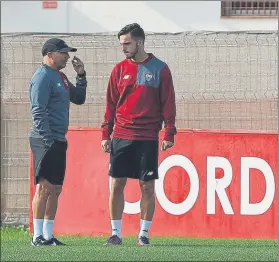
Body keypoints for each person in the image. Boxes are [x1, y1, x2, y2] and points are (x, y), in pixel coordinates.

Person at [101, 23, 177, 246]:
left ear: (140, 42)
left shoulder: (160, 69)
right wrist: (106, 133)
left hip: (148, 137)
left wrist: (169, 132)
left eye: (127, 43)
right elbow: (110, 104)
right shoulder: (118, 70)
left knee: (147, 186)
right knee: (116, 184)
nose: (123, 47)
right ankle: (116, 234)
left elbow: (168, 103)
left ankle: (143, 234)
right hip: (121, 135)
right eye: (121, 44)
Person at [29, 38, 87, 246]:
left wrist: (81, 76)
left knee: (56, 189)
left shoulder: (60, 77)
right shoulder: (42, 76)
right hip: (45, 139)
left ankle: (48, 235)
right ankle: (36, 236)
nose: (68, 57)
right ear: (51, 54)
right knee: (44, 188)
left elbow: (79, 98)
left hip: (58, 139)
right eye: (64, 52)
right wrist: (47, 138)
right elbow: (38, 110)